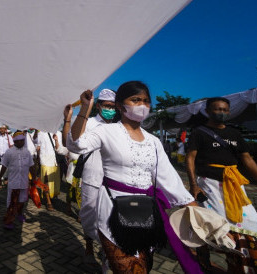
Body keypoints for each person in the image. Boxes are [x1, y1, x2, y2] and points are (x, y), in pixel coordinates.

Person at [67, 81, 201, 274]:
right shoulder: (106, 131)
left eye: (146, 101)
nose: (142, 105)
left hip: (146, 212)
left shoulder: (153, 141)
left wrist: (192, 207)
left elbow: (168, 177)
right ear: (120, 106)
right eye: (136, 100)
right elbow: (76, 145)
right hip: (113, 210)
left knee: (143, 267)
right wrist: (84, 110)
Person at [186, 97, 257, 273]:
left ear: (229, 112)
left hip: (234, 185)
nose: (221, 113)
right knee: (210, 224)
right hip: (209, 185)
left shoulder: (234, 134)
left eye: (224, 110)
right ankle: (203, 260)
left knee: (250, 226)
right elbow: (190, 158)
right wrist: (193, 185)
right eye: (217, 109)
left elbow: (247, 159)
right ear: (208, 111)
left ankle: (239, 264)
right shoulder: (199, 132)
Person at [63, 88, 116, 267]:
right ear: (99, 106)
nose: (110, 109)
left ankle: (107, 256)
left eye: (113, 106)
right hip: (92, 178)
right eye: (107, 105)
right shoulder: (89, 122)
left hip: (113, 182)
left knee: (110, 220)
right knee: (88, 218)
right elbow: (71, 142)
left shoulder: (119, 126)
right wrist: (82, 111)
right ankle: (89, 243)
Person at [0, 131, 36, 229]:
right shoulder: (9, 152)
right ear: (14, 141)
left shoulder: (27, 152)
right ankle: (8, 221)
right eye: (18, 141)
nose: (20, 143)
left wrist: (34, 178)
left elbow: (32, 166)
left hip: (24, 181)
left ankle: (19, 214)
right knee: (12, 202)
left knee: (22, 200)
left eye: (22, 141)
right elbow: (4, 166)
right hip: (13, 182)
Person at [35, 129, 67, 211]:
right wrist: (38, 160)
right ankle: (48, 201)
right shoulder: (41, 133)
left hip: (55, 161)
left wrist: (56, 140)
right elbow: (38, 147)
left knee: (55, 181)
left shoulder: (59, 133)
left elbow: (60, 148)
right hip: (45, 160)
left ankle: (52, 196)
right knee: (46, 180)